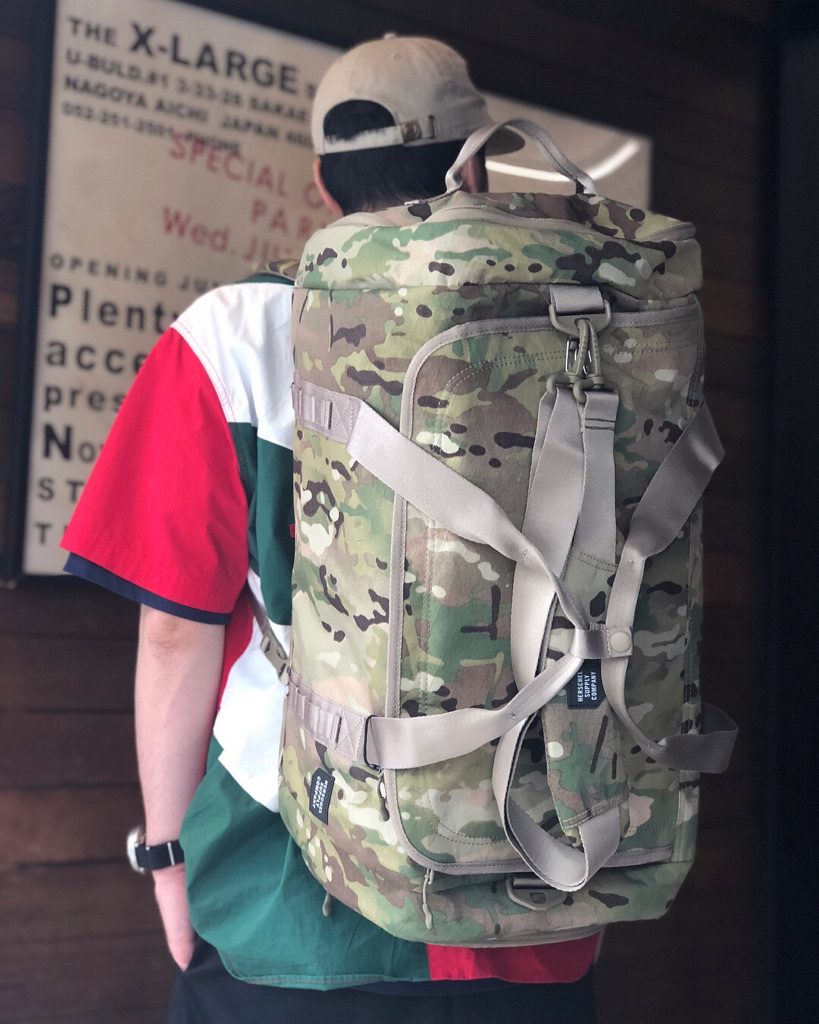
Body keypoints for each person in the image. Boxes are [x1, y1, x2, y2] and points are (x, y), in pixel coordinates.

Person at [62, 35, 599, 1023]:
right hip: (534, 884)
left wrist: (170, 858)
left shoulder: (232, 333)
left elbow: (176, 633)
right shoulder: (584, 326)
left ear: (320, 182)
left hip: (294, 899)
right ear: (475, 169)